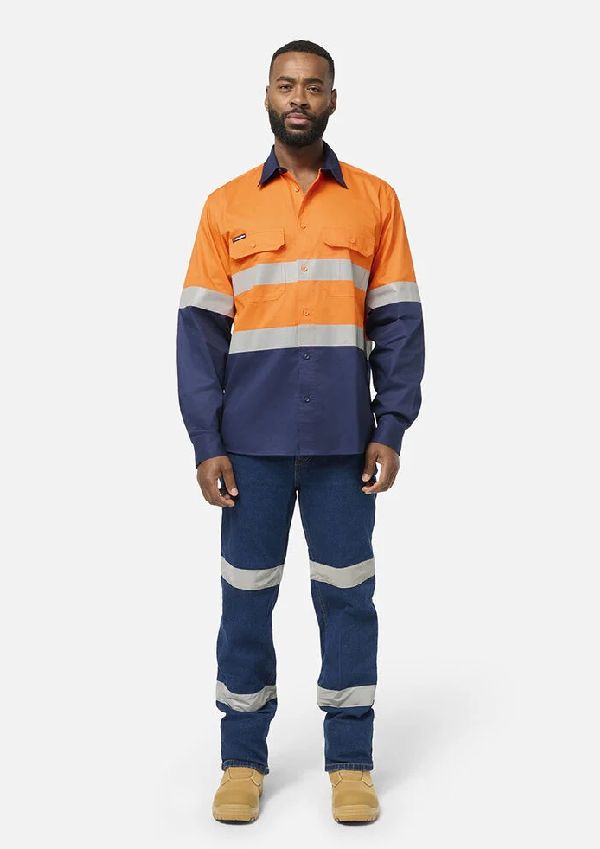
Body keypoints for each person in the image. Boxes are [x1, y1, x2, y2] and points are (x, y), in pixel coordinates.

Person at [176, 38, 425, 824]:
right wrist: (206, 441)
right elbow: (199, 333)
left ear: (332, 100)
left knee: (348, 601)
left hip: (344, 444)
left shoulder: (375, 201)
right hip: (248, 445)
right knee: (245, 603)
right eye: (286, 84)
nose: (299, 98)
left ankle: (350, 762)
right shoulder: (226, 206)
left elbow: (399, 322)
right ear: (266, 96)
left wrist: (392, 426)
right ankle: (241, 760)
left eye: (313, 86)